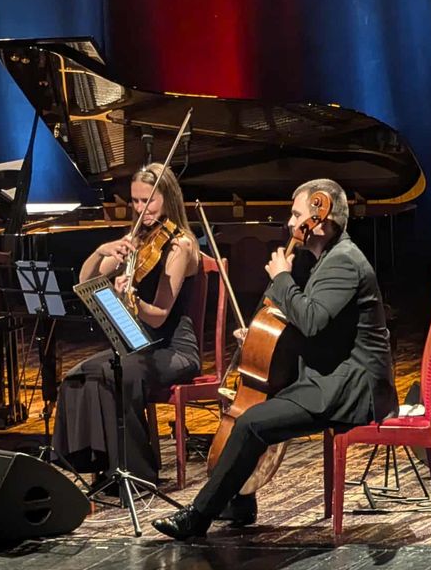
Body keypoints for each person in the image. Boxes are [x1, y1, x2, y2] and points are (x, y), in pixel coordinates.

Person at [152, 178, 399, 540]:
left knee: (252, 422)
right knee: (254, 417)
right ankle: (237, 503)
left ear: (321, 219)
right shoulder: (326, 258)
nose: (290, 224)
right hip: (328, 375)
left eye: (297, 214)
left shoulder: (343, 262)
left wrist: (282, 278)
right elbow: (317, 327)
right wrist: (257, 337)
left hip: (349, 388)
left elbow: (312, 320)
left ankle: (198, 517)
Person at [51, 163, 201, 486]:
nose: (141, 209)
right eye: (135, 201)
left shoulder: (180, 245)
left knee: (115, 374)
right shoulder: (136, 239)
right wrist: (100, 251)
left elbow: (160, 313)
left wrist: (131, 301)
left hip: (174, 347)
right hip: (137, 346)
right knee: (80, 375)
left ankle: (137, 474)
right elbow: (86, 279)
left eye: (149, 201)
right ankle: (99, 467)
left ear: (168, 199)